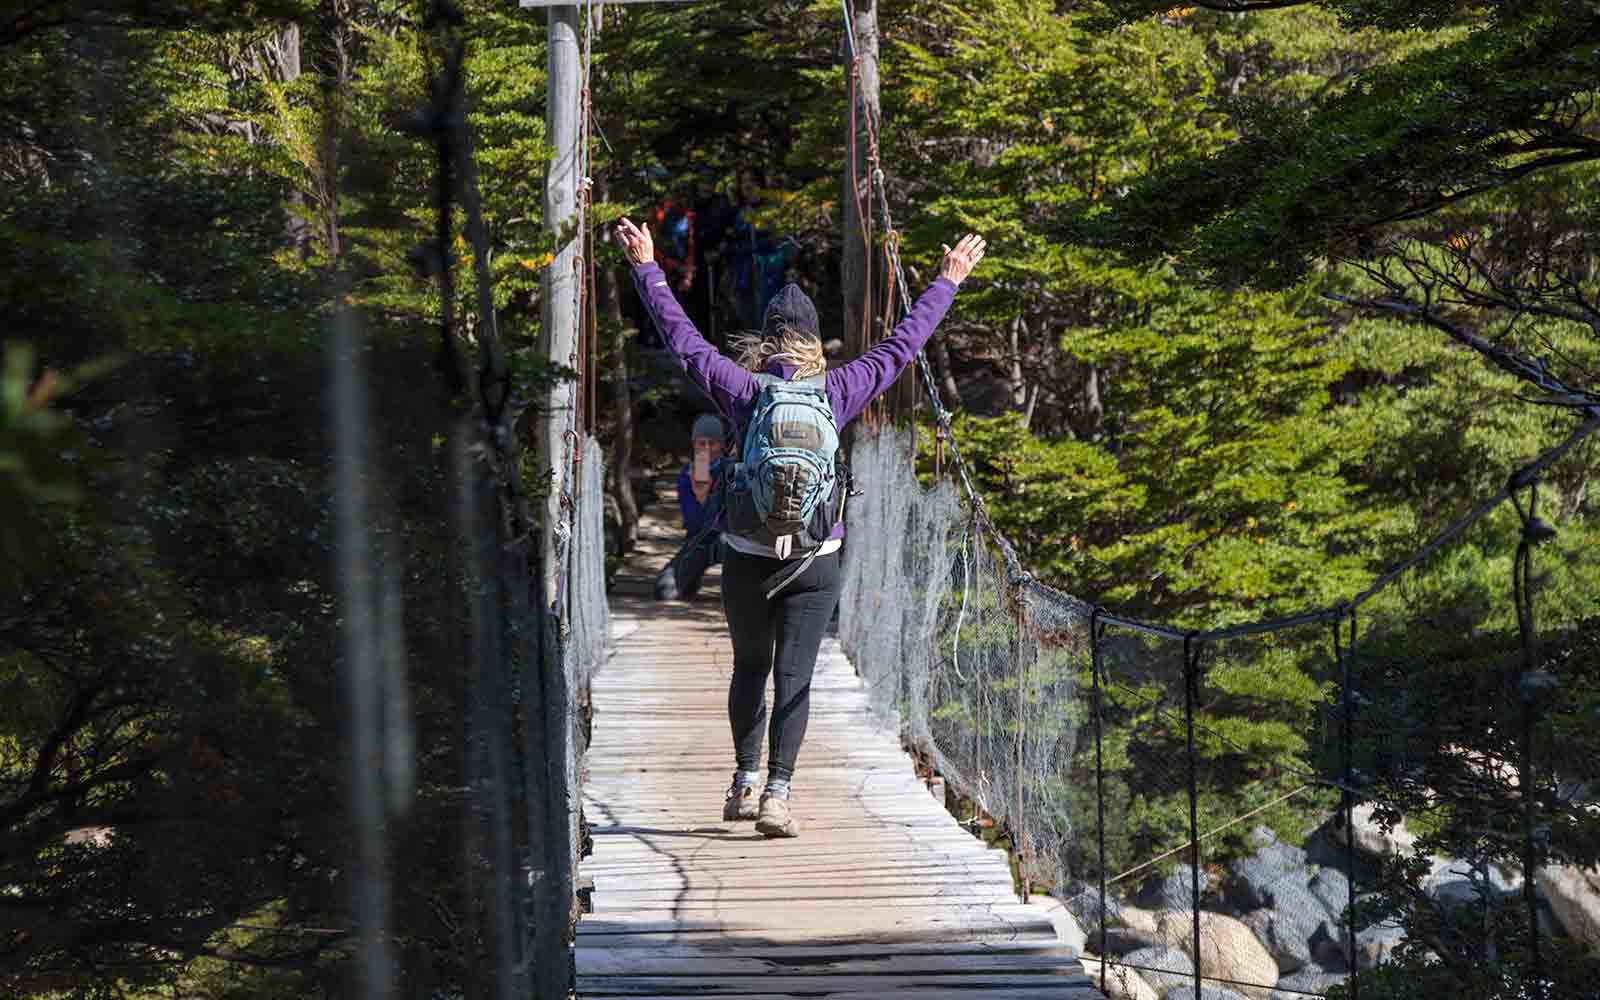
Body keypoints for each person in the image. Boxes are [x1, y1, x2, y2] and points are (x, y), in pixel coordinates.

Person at [616, 213, 986, 838]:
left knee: (749, 669)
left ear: (767, 342)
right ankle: (779, 795)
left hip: (746, 551)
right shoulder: (840, 389)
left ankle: (742, 780)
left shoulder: (745, 390)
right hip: (816, 559)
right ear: (816, 342)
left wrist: (647, 267)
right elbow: (903, 347)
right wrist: (947, 281)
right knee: (795, 674)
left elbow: (682, 340)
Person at [654, 413, 728, 601]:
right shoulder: (687, 475)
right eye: (701, 443)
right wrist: (701, 495)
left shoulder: (730, 471)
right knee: (664, 590)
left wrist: (712, 493)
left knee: (723, 541)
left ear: (722, 445)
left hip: (730, 541)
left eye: (712, 443)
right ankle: (690, 580)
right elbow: (694, 522)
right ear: (694, 444)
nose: (707, 449)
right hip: (698, 540)